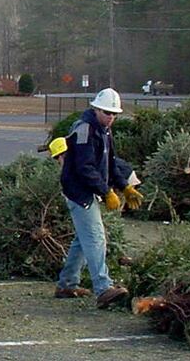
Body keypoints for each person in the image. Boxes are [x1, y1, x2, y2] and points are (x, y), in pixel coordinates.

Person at [54, 88, 144, 308]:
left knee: (82, 240)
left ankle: (66, 284)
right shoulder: (84, 130)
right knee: (95, 238)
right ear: (95, 109)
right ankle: (103, 288)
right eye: (106, 112)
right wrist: (106, 191)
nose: (111, 117)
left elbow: (110, 164)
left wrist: (125, 187)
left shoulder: (104, 131)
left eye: (114, 114)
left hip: (87, 190)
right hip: (78, 191)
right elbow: (85, 168)